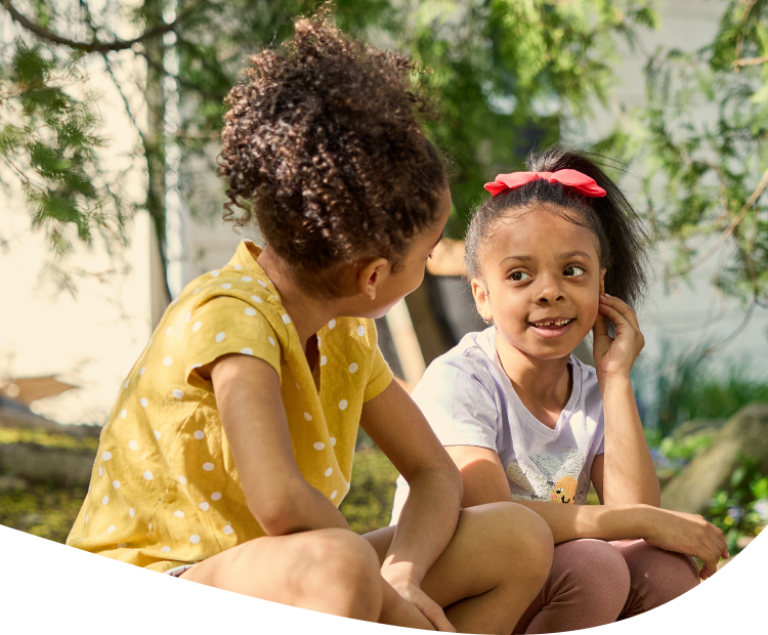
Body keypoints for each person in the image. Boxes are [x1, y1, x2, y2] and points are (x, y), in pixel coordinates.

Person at [65, 9, 555, 632]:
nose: (437, 259)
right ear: (373, 276)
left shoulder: (347, 333)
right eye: (428, 251)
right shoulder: (231, 317)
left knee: (516, 535)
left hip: (295, 571)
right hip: (176, 566)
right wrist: (384, 596)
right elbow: (278, 504)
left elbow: (434, 473)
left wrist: (402, 572)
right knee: (340, 564)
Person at [390, 146, 729, 633]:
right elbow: (495, 521)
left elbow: (636, 508)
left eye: (572, 271)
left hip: (550, 571)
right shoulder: (461, 379)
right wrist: (639, 522)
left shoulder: (592, 389)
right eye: (519, 275)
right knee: (596, 567)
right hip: (460, 585)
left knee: (666, 572)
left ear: (600, 286)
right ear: (481, 296)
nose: (549, 291)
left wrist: (616, 379)